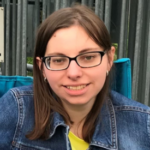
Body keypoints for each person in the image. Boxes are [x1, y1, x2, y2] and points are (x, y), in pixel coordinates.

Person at [0, 5, 150, 150]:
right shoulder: (16, 110)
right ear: (42, 67)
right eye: (59, 60)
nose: (74, 73)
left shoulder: (144, 126)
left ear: (110, 59)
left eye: (88, 57)